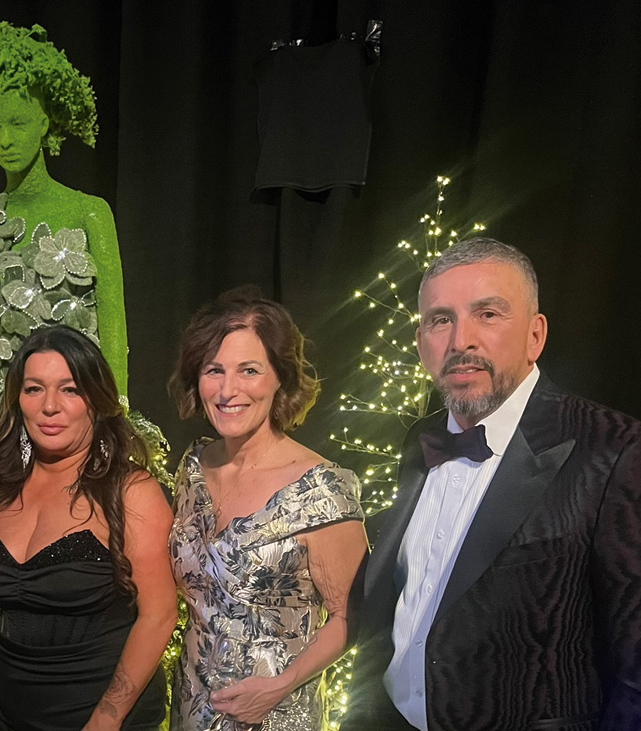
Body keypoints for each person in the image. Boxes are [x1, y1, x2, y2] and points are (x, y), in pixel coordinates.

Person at [342, 238, 641, 731]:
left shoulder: (615, 448)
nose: (461, 340)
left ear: (534, 335)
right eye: (441, 319)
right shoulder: (421, 438)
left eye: (487, 314)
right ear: (420, 343)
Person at [166, 287, 368, 730]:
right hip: (190, 709)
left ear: (281, 378)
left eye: (249, 370)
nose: (228, 390)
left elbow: (350, 616)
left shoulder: (322, 488)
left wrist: (279, 686)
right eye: (213, 370)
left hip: (276, 715)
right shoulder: (193, 468)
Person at [0, 325, 176, 731]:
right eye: (34, 389)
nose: (50, 406)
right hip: (11, 716)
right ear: (18, 400)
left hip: (108, 718)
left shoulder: (130, 492)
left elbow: (159, 615)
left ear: (95, 401)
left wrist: (107, 718)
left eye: (70, 389)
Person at [0, 22, 128, 412]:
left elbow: (112, 319)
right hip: (0, 413)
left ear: (44, 122)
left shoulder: (88, 212)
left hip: (73, 410)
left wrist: (116, 410)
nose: (5, 139)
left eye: (19, 123)